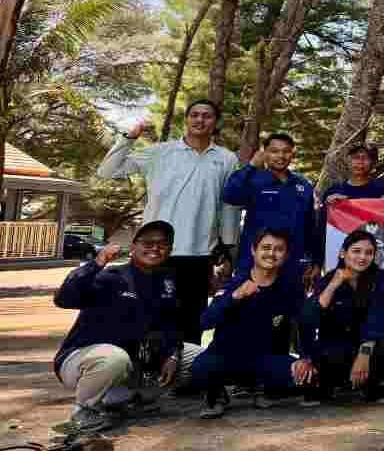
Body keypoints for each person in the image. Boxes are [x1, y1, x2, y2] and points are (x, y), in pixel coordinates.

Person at [95, 99, 240, 344]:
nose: (200, 120)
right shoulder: (159, 152)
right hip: (156, 252)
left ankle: (184, 366)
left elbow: (229, 205)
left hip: (199, 255)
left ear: (215, 122)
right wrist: (128, 139)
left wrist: (227, 245)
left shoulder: (227, 159)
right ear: (186, 120)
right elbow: (106, 171)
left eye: (207, 116)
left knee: (191, 324)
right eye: (194, 114)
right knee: (149, 320)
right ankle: (143, 364)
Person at [51, 221, 199, 436]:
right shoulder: (111, 276)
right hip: (85, 360)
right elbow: (64, 299)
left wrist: (173, 355)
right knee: (114, 359)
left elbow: (172, 324)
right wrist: (96, 263)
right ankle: (84, 412)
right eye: (147, 242)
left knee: (199, 357)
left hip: (133, 364)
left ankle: (132, 398)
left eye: (163, 243)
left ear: (170, 250)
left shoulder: (167, 281)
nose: (155, 248)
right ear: (132, 247)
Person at [191, 228, 308, 418]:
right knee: (200, 369)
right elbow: (204, 322)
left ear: (286, 255)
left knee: (308, 377)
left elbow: (302, 324)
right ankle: (217, 395)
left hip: (265, 359)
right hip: (226, 357)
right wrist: (235, 297)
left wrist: (304, 357)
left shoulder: (290, 288)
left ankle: (261, 388)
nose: (271, 253)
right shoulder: (234, 283)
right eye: (266, 247)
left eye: (278, 249)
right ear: (254, 250)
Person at [299, 230, 384, 407]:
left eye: (369, 253)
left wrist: (364, 354)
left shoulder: (379, 277)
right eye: (356, 251)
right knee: (326, 356)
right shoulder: (328, 279)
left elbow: (376, 318)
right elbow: (311, 317)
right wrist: (334, 285)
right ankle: (328, 386)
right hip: (335, 346)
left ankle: (371, 387)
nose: (362, 257)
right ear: (343, 253)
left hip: (365, 343)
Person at [223, 132, 319, 290]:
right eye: (274, 151)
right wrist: (251, 165)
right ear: (265, 153)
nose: (281, 156)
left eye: (286, 151)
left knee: (291, 304)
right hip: (256, 262)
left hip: (292, 263)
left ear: (292, 154)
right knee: (249, 302)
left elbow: (310, 226)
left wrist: (314, 260)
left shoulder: (303, 185)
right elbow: (230, 196)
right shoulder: (253, 180)